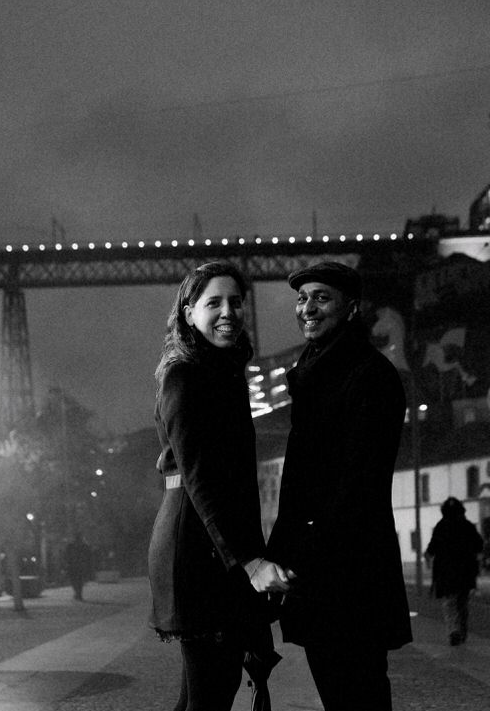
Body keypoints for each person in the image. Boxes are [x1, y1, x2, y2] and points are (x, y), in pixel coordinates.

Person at [266, 261, 411, 711]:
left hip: (351, 574)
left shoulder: (370, 377)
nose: (307, 308)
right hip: (323, 571)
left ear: (352, 308)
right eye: (302, 298)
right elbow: (301, 484)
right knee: (340, 694)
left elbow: (358, 488)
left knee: (358, 695)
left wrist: (300, 556)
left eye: (321, 298)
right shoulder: (316, 374)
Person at [148, 262, 292, 711]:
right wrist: (249, 563)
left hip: (210, 548)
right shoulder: (184, 376)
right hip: (196, 550)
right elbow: (201, 479)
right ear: (189, 314)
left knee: (204, 693)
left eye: (235, 302)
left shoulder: (221, 373)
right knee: (212, 690)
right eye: (214, 303)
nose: (228, 311)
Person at [424, 497, 483, 646]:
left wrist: (428, 556)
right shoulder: (468, 526)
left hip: (445, 572)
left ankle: (453, 631)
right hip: (465, 572)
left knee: (449, 603)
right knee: (462, 603)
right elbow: (479, 545)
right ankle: (462, 630)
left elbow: (432, 547)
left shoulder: (441, 526)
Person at [63, 531, 94, 601]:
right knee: (77, 580)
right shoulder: (73, 546)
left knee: (76, 580)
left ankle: (78, 593)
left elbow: (88, 556)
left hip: (76, 566)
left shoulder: (82, 546)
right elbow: (66, 555)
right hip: (76, 566)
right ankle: (78, 593)